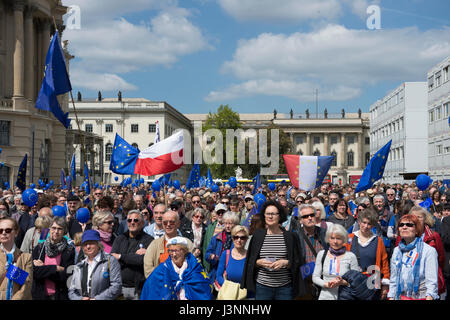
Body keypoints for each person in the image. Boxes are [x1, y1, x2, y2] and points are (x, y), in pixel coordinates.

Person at [241, 200, 302, 300]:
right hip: (262, 287)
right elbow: (250, 261)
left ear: (280, 216)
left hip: (285, 287)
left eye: (273, 214)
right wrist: (258, 262)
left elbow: (298, 260)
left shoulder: (290, 236)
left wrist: (286, 262)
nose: (270, 216)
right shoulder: (258, 235)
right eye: (268, 214)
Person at [140, 236, 212, 300]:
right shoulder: (162, 269)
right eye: (171, 251)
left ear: (184, 251)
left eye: (176, 251)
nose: (173, 254)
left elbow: (204, 289)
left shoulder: (195, 267)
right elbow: (150, 289)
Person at [388, 214, 439, 300]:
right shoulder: (397, 250)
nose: (404, 227)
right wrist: (391, 297)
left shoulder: (428, 251)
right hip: (400, 297)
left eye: (409, 225)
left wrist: (429, 297)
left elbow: (432, 282)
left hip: (421, 297)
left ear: (416, 230)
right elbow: (393, 279)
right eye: (401, 225)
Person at [346, 208, 390, 299]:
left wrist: (385, 284)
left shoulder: (378, 240)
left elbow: (384, 263)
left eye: (369, 224)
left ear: (373, 225)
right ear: (359, 222)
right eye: (364, 222)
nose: (366, 226)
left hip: (372, 283)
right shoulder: (349, 238)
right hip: (353, 282)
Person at [110, 209, 153, 299]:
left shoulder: (149, 240)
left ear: (142, 223)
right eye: (129, 220)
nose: (132, 223)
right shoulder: (120, 239)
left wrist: (121, 256)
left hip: (138, 288)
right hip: (120, 287)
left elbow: (141, 260)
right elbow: (112, 259)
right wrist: (132, 257)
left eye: (136, 220)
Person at [68, 230, 122, 300]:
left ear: (98, 244)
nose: (88, 246)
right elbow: (72, 290)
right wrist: (80, 299)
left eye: (91, 243)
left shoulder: (110, 261)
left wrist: (98, 299)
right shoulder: (80, 265)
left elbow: (116, 285)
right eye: (85, 244)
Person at [404, 206, 446, 296]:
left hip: (428, 283)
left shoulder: (434, 236)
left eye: (420, 217)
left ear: (425, 219)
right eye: (414, 217)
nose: (417, 219)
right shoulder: (403, 236)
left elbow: (441, 259)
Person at [31, 217, 75, 300]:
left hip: (60, 295)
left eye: (60, 229)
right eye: (53, 228)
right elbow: (35, 273)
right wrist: (55, 268)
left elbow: (68, 276)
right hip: (40, 295)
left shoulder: (69, 250)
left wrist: (44, 268)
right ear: (49, 229)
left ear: (64, 232)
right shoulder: (40, 248)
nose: (56, 231)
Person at [290, 204, 328, 299]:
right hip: (305, 283)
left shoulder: (325, 233)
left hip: (324, 281)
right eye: (305, 216)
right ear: (300, 220)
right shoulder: (295, 236)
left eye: (312, 215)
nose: (310, 218)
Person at [312, 224, 359, 300]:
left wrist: (343, 282)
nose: (335, 241)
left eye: (338, 238)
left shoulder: (351, 256)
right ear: (328, 239)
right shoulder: (322, 254)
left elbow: (356, 281)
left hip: (345, 296)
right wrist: (326, 284)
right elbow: (315, 277)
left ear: (344, 239)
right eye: (332, 238)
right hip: (325, 296)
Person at [144, 210, 194, 278]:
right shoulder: (154, 245)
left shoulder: (187, 243)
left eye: (172, 222)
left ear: (178, 223)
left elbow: (194, 267)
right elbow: (148, 269)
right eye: (165, 222)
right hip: (160, 285)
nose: (168, 225)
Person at [0, 217, 33, 300]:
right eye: (0, 231)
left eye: (8, 230)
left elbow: (27, 285)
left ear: (16, 232)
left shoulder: (25, 257)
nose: (3, 233)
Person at [206, 212, 240, 285]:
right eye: (226, 223)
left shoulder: (239, 239)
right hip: (216, 271)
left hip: (232, 272)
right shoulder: (216, 238)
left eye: (230, 224)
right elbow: (207, 254)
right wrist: (212, 256)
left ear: (236, 224)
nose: (227, 226)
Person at [215, 225, 249, 298]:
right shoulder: (226, 254)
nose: (239, 240)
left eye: (242, 238)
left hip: (245, 295)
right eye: (236, 237)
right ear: (232, 239)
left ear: (246, 239)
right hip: (227, 294)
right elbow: (218, 276)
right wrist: (230, 287)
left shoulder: (250, 256)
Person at [202, 203, 227, 273]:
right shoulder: (210, 226)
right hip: (212, 263)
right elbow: (205, 246)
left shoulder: (229, 227)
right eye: (218, 212)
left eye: (223, 212)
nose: (220, 214)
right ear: (215, 214)